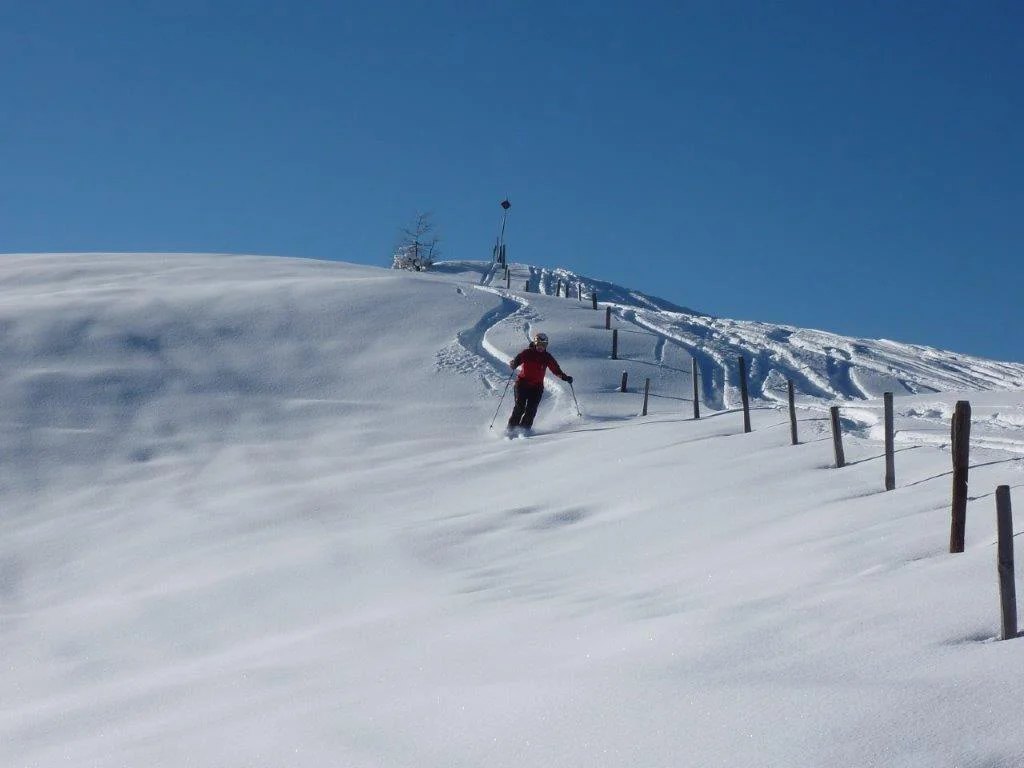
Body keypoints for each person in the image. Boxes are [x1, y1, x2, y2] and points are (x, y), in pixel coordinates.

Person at [507, 332, 573, 432]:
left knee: (531, 409)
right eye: (539, 345)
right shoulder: (527, 353)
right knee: (520, 407)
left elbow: (556, 369)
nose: (541, 347)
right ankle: (511, 429)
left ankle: (524, 430)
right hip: (522, 384)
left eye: (544, 345)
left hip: (536, 387)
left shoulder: (547, 357)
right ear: (535, 343)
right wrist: (514, 364)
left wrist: (565, 377)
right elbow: (517, 359)